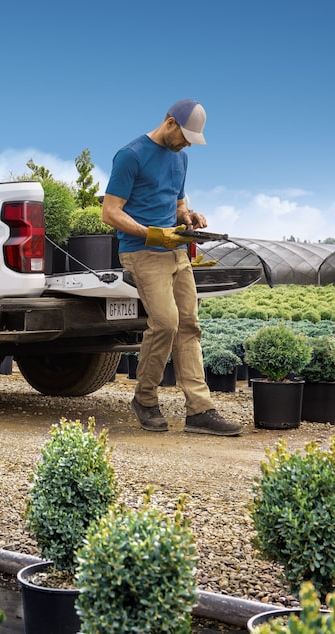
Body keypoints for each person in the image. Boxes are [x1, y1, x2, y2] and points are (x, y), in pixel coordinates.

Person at [101, 98, 241, 436]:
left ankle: (199, 410)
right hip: (142, 252)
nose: (188, 143)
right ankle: (145, 398)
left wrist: (189, 217)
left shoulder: (181, 158)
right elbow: (111, 212)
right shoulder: (130, 155)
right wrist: (152, 233)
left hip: (177, 251)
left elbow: (176, 202)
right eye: (185, 135)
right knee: (165, 322)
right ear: (170, 122)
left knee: (189, 324)